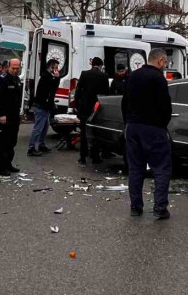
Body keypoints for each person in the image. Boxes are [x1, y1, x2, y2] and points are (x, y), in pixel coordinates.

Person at [121, 48, 173, 220]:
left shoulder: (132, 76)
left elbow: (124, 102)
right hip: (153, 128)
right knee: (161, 168)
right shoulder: (158, 78)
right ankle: (160, 207)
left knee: (135, 168)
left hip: (133, 126)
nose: (165, 66)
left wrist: (128, 122)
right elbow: (165, 106)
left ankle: (135, 206)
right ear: (159, 61)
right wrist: (162, 125)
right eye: (165, 62)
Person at [74, 57, 110, 164]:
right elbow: (106, 94)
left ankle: (83, 156)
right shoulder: (104, 76)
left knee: (84, 133)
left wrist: (77, 105)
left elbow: (78, 91)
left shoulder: (84, 74)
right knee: (96, 133)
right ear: (100, 65)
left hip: (84, 108)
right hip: (97, 109)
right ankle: (95, 156)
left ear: (92, 65)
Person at [0, 58, 23, 177]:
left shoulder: (17, 80)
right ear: (8, 67)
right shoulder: (2, 79)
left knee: (12, 142)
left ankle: (9, 164)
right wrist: (1, 115)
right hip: (4, 117)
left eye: (17, 68)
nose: (15, 70)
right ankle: (2, 168)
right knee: (3, 143)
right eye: (13, 68)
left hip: (14, 116)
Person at [28, 58, 63, 157]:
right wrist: (57, 78)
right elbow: (52, 89)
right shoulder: (46, 77)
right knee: (38, 128)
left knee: (44, 127)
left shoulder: (48, 76)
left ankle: (41, 144)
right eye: (56, 68)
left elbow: (51, 93)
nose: (57, 70)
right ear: (51, 67)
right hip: (41, 106)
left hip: (45, 106)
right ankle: (31, 148)